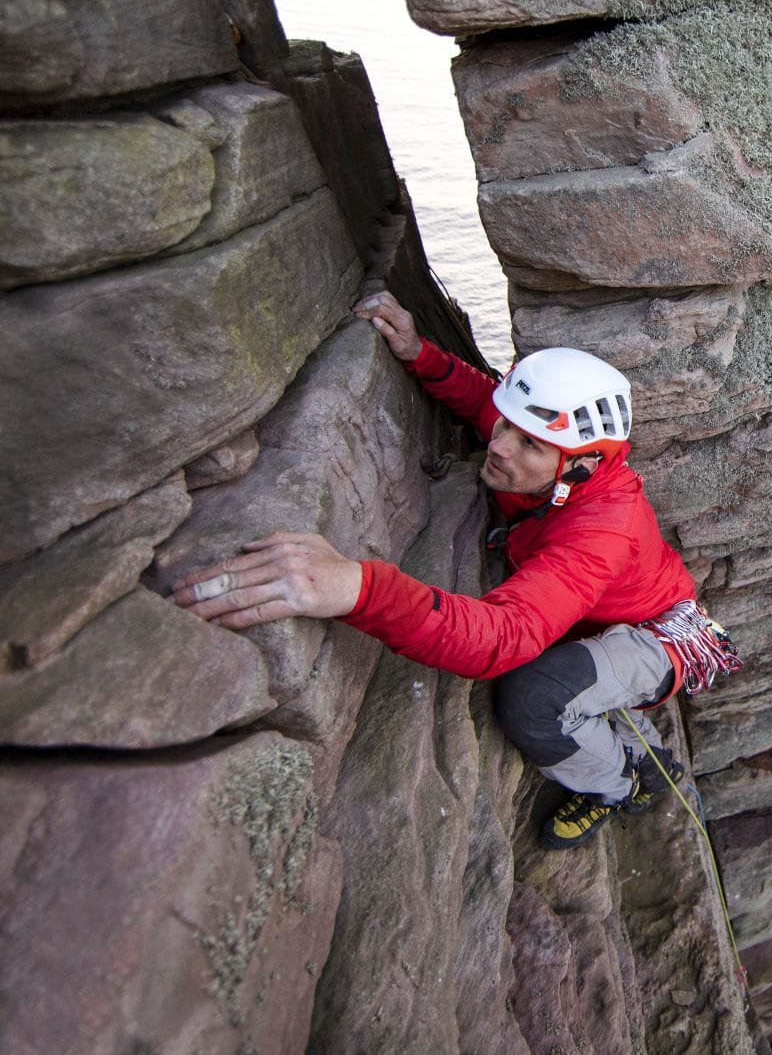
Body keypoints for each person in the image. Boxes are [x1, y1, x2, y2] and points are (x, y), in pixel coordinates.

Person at [174, 291, 740, 848]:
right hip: (599, 614)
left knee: (535, 696)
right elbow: (485, 402)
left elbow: (507, 638)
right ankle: (628, 750)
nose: (500, 448)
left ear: (584, 466)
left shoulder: (602, 528)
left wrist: (358, 588)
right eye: (505, 430)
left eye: (529, 446)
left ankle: (621, 784)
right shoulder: (541, 439)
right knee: (563, 675)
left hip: (661, 636)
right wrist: (420, 353)